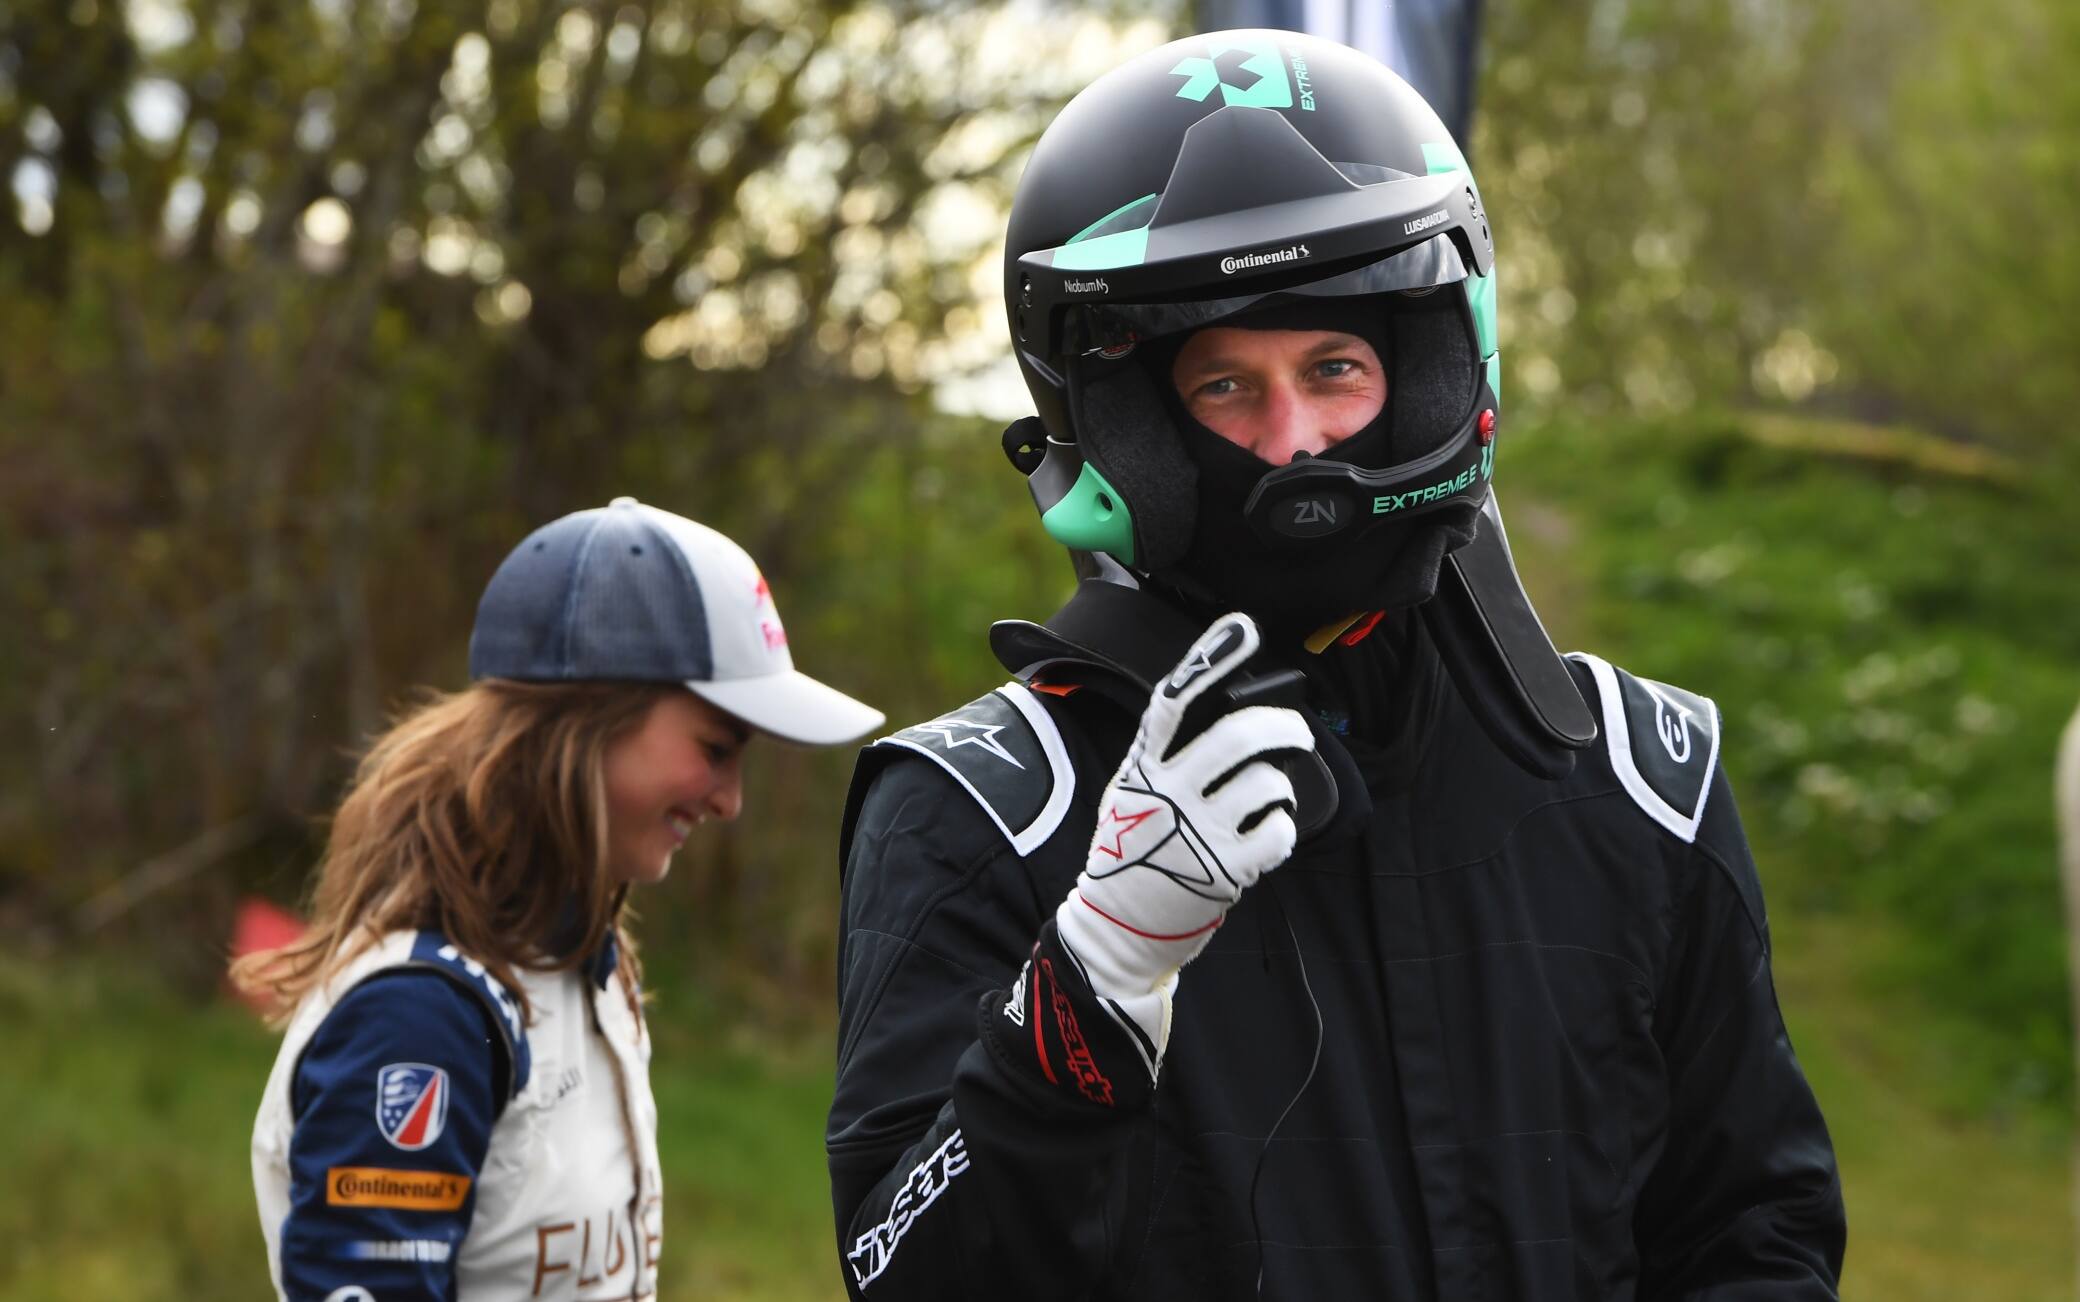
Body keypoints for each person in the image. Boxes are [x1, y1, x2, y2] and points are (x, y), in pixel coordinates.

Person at [826, 30, 1845, 1301]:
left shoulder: (1638, 782)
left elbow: (1758, 1234)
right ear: (1126, 432)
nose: (1293, 442)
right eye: (1222, 389)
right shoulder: (979, 808)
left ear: (1428, 375)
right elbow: (898, 1275)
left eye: (1335, 370)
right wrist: (1091, 984)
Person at [238, 496, 883, 1300]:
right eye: (715, 750)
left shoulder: (579, 959)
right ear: (584, 724)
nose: (730, 802)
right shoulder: (419, 1015)